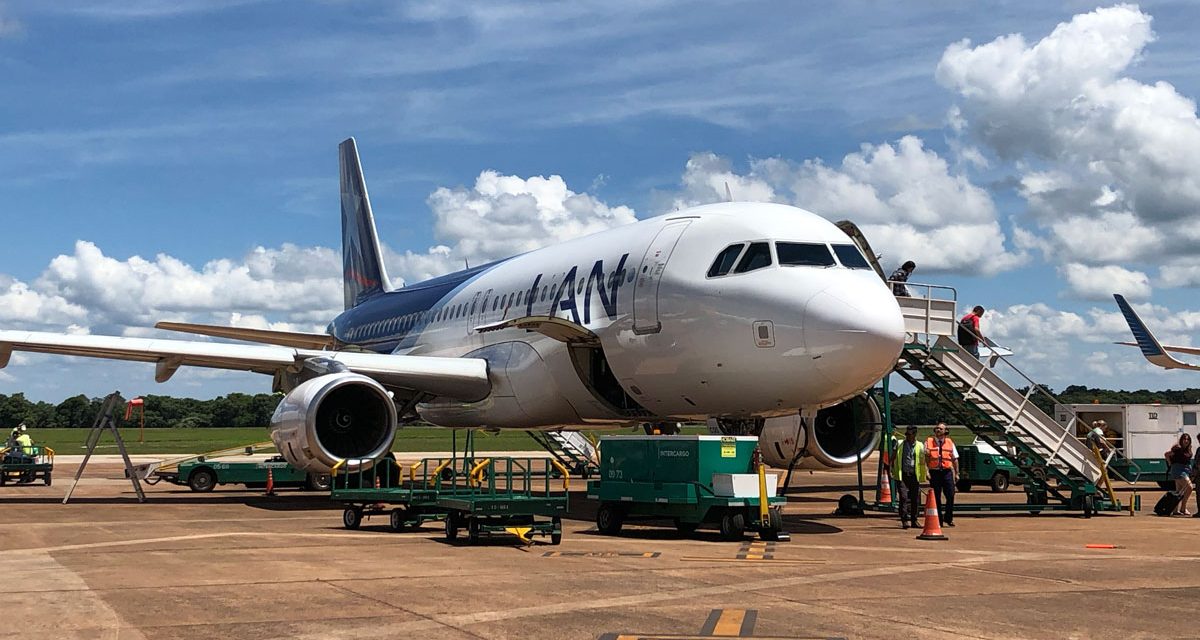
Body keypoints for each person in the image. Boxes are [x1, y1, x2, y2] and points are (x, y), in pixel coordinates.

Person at [891, 425, 927, 529]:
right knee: (903, 497)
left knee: (915, 498)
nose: (907, 436)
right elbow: (893, 456)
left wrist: (926, 472)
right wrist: (891, 468)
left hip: (914, 475)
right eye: (906, 434)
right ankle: (904, 519)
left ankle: (914, 520)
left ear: (914, 434)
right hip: (902, 474)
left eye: (909, 434)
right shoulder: (899, 443)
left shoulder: (920, 445)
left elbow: (923, 460)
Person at [925, 422, 959, 526]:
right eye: (937, 428)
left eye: (940, 429)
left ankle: (948, 518)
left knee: (951, 495)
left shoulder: (949, 442)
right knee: (936, 497)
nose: (938, 430)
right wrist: (926, 471)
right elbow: (925, 459)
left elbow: (955, 458)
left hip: (947, 472)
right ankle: (938, 520)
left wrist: (957, 473)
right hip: (934, 472)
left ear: (945, 431)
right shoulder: (929, 442)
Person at [1165, 433, 1194, 516]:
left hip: (1185, 469)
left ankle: (1175, 509)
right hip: (1178, 470)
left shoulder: (1188, 449)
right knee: (1189, 487)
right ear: (1181, 440)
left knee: (1179, 491)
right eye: (1184, 439)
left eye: (1188, 439)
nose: (1186, 441)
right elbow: (1167, 454)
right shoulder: (1178, 448)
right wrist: (1171, 464)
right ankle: (1183, 508)